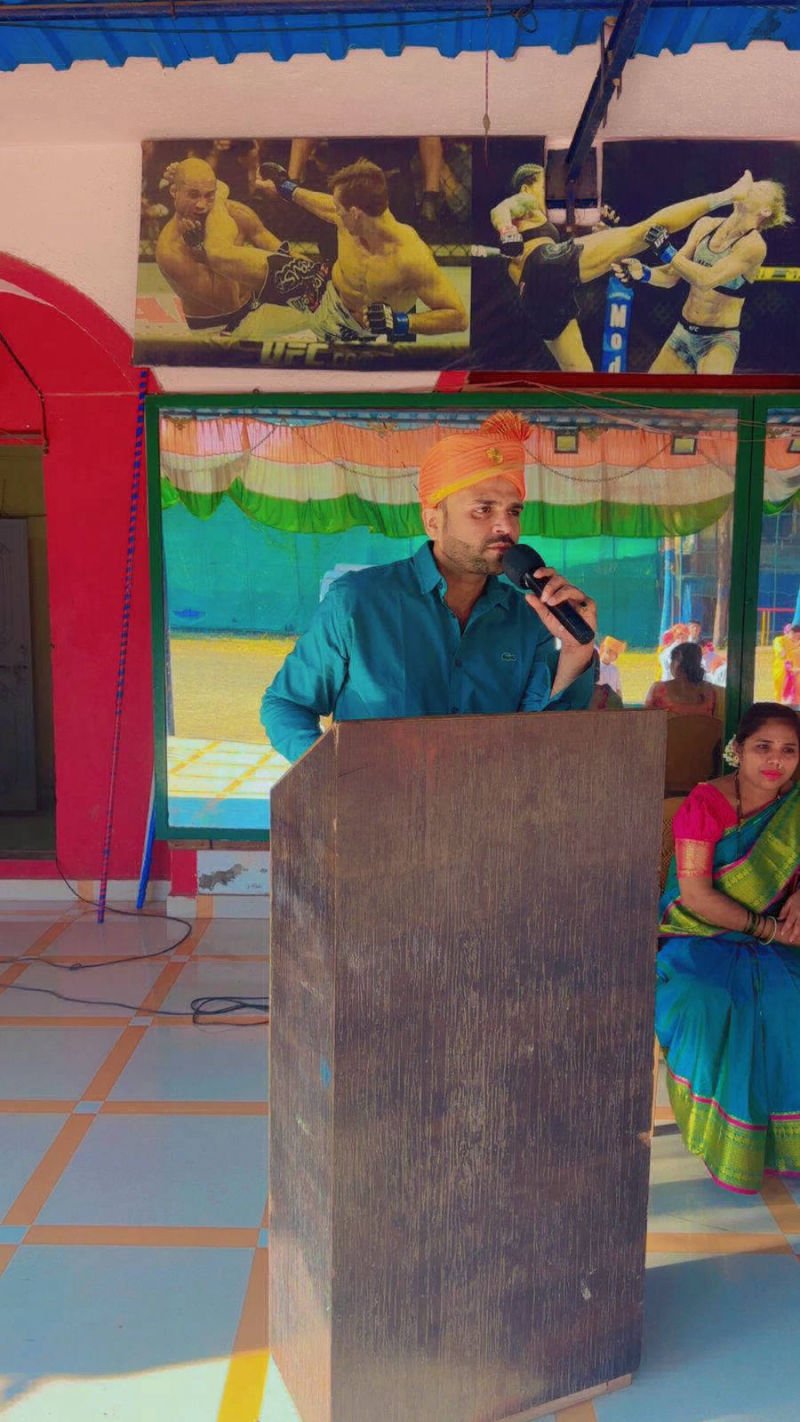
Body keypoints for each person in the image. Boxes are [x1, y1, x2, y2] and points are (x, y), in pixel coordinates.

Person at [261, 412, 596, 763]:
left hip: (487, 798)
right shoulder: (358, 602)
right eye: (483, 510)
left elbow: (542, 737)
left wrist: (576, 651)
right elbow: (287, 704)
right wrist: (331, 777)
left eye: (514, 511)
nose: (506, 527)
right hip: (379, 798)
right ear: (433, 522)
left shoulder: (529, 619)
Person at [655, 702, 800, 1192]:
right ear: (738, 750)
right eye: (763, 747)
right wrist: (768, 929)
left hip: (777, 937)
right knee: (709, 1002)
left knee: (786, 998)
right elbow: (696, 895)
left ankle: (782, 1143)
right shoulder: (707, 804)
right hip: (699, 936)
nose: (775, 760)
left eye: (788, 750)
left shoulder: (794, 805)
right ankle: (719, 1139)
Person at [486, 162, 754, 371]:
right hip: (545, 267)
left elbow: (562, 259)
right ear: (527, 187)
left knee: (579, 372)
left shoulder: (534, 225)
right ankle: (728, 195)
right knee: (646, 230)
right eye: (546, 183)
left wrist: (598, 234)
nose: (551, 190)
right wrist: (506, 230)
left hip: (536, 298)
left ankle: (589, 423)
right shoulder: (524, 201)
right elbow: (500, 209)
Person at [253, 157, 467, 343]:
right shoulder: (353, 217)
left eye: (340, 209)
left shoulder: (411, 257)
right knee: (248, 266)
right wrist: (286, 188)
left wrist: (400, 322)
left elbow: (458, 317)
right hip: (324, 294)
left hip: (360, 333)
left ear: (355, 213)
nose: (336, 213)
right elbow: (325, 205)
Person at [615, 179, 791, 376]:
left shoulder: (753, 246)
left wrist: (666, 251)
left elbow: (706, 280)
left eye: (760, 188)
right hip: (682, 333)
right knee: (652, 394)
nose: (751, 186)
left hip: (718, 341)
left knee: (711, 395)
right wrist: (642, 273)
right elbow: (671, 275)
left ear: (765, 211)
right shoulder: (705, 225)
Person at [155, 158, 330, 334]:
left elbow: (286, 255)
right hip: (218, 327)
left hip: (256, 306)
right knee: (326, 310)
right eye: (193, 195)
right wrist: (209, 252)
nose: (201, 205)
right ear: (174, 192)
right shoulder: (170, 251)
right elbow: (229, 304)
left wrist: (319, 282)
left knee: (327, 296)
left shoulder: (236, 213)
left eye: (209, 195)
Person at [645, 642, 718, 716]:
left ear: (678, 665)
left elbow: (646, 717)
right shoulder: (709, 690)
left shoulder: (658, 689)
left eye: (673, 660)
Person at [773, 622, 800, 707]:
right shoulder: (780, 640)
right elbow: (780, 651)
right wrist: (782, 651)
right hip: (782, 673)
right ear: (787, 633)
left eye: (798, 634)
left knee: (796, 697)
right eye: (793, 633)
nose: (796, 636)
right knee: (781, 695)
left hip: (797, 673)